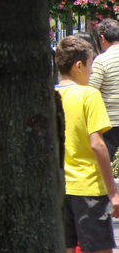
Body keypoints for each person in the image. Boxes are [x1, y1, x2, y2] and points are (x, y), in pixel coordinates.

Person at [55, 35, 119, 253]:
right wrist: (113, 192)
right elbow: (97, 144)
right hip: (88, 187)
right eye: (90, 65)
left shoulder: (51, 96)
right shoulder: (89, 95)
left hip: (60, 187)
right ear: (79, 65)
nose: (92, 72)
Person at [89, 18, 119, 159]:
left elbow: (91, 90)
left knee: (104, 163)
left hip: (109, 121)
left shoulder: (101, 60)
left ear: (102, 38)